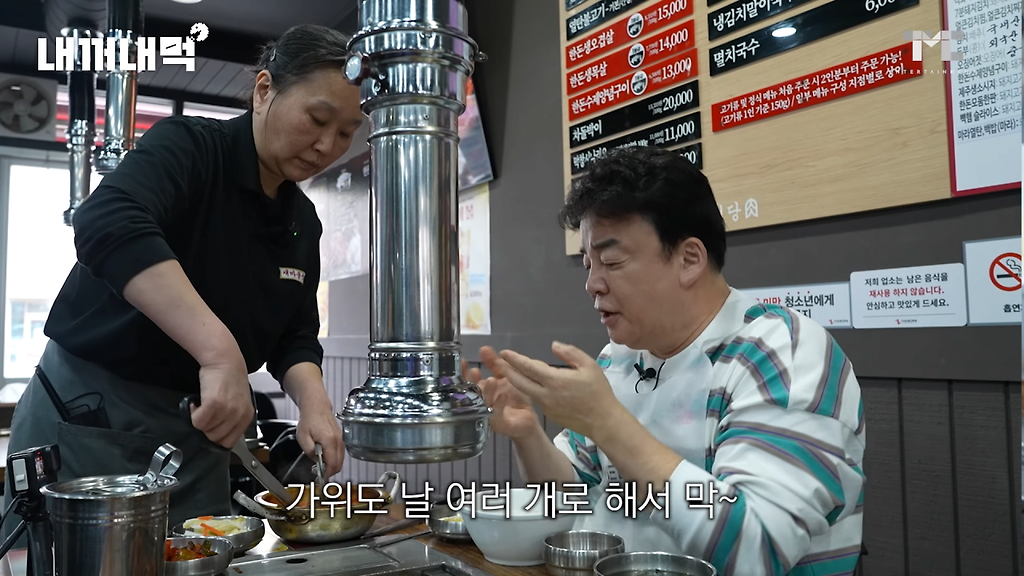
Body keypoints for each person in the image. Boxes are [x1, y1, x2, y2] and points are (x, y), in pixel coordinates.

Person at [3, 23, 364, 539]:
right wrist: (219, 355)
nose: (327, 145)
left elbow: (295, 335)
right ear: (265, 90)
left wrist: (315, 404)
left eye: (347, 133)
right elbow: (107, 221)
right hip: (93, 417)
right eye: (318, 119)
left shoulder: (302, 221)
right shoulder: (192, 148)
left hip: (198, 439)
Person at [465, 146, 866, 575]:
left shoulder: (781, 352)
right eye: (588, 264)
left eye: (612, 261)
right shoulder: (618, 360)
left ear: (689, 259)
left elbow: (757, 549)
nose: (592, 284)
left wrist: (608, 423)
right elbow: (570, 499)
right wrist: (528, 434)